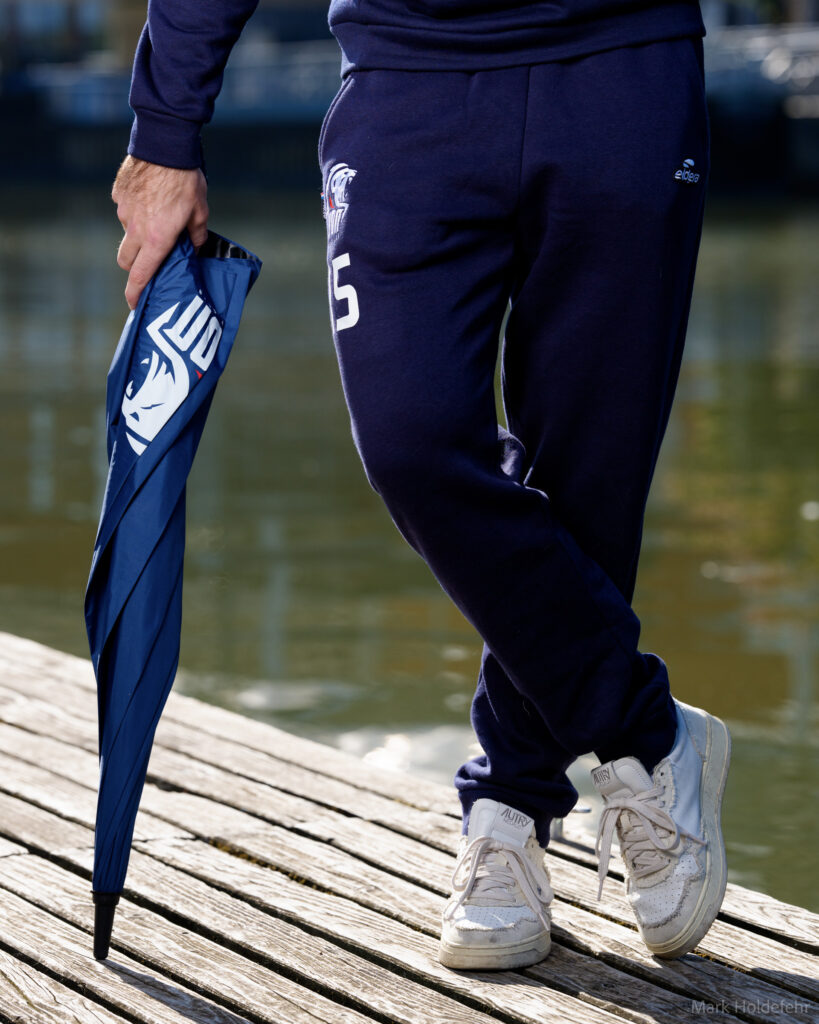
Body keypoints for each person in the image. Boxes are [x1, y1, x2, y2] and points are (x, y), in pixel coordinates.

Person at [113, 0, 731, 972]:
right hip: (407, 79)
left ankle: (511, 805)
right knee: (411, 441)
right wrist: (165, 130)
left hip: (622, 60)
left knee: (589, 475)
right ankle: (646, 730)